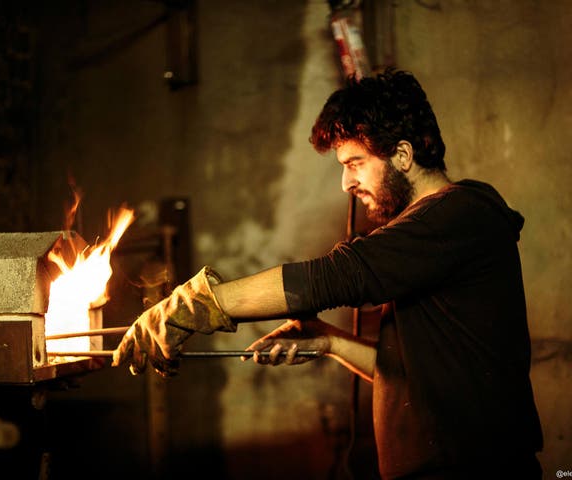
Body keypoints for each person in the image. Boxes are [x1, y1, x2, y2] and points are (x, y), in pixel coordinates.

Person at [112, 68, 543, 479]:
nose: (346, 184)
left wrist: (194, 305)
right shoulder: (434, 238)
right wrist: (331, 341)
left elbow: (336, 276)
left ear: (404, 155)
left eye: (355, 162)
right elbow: (418, 378)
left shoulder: (458, 214)